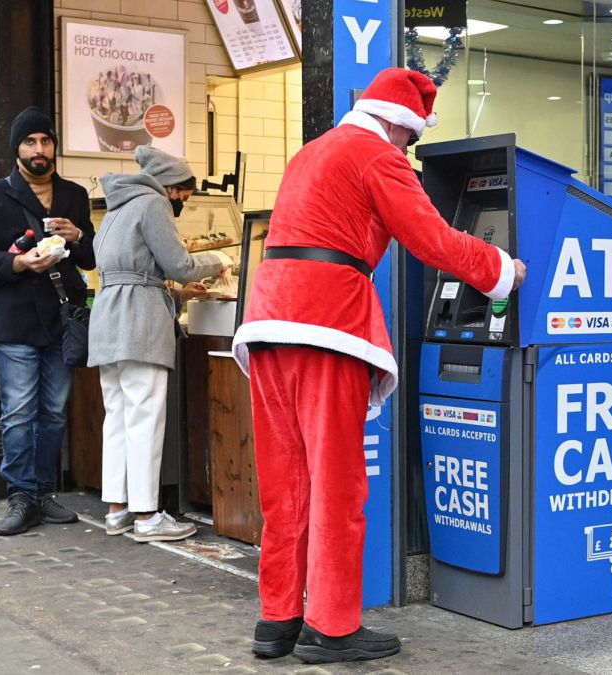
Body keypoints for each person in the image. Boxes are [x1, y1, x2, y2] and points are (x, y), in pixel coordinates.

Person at [231, 68, 528, 663]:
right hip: (326, 322)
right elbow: (434, 241)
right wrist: (502, 268)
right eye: (411, 139)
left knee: (285, 481)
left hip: (268, 322)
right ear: (399, 120)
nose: (409, 149)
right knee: (338, 481)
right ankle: (334, 627)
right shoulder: (376, 155)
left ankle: (278, 620)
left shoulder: (311, 152)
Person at [0, 106, 96, 536]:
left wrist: (80, 237)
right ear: (17, 149)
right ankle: (19, 496)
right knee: (19, 413)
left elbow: (91, 259)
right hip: (15, 318)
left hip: (62, 316)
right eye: (30, 142)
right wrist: (18, 265)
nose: (40, 150)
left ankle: (43, 493)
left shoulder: (73, 194)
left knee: (53, 412)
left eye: (46, 141)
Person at [88, 146, 225, 542]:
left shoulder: (116, 207)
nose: (184, 199)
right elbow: (179, 264)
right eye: (183, 191)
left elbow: (129, 271)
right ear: (169, 185)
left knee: (116, 416)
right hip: (140, 322)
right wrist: (218, 260)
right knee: (145, 418)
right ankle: (147, 516)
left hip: (109, 318)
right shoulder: (153, 203)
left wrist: (176, 296)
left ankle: (116, 509)